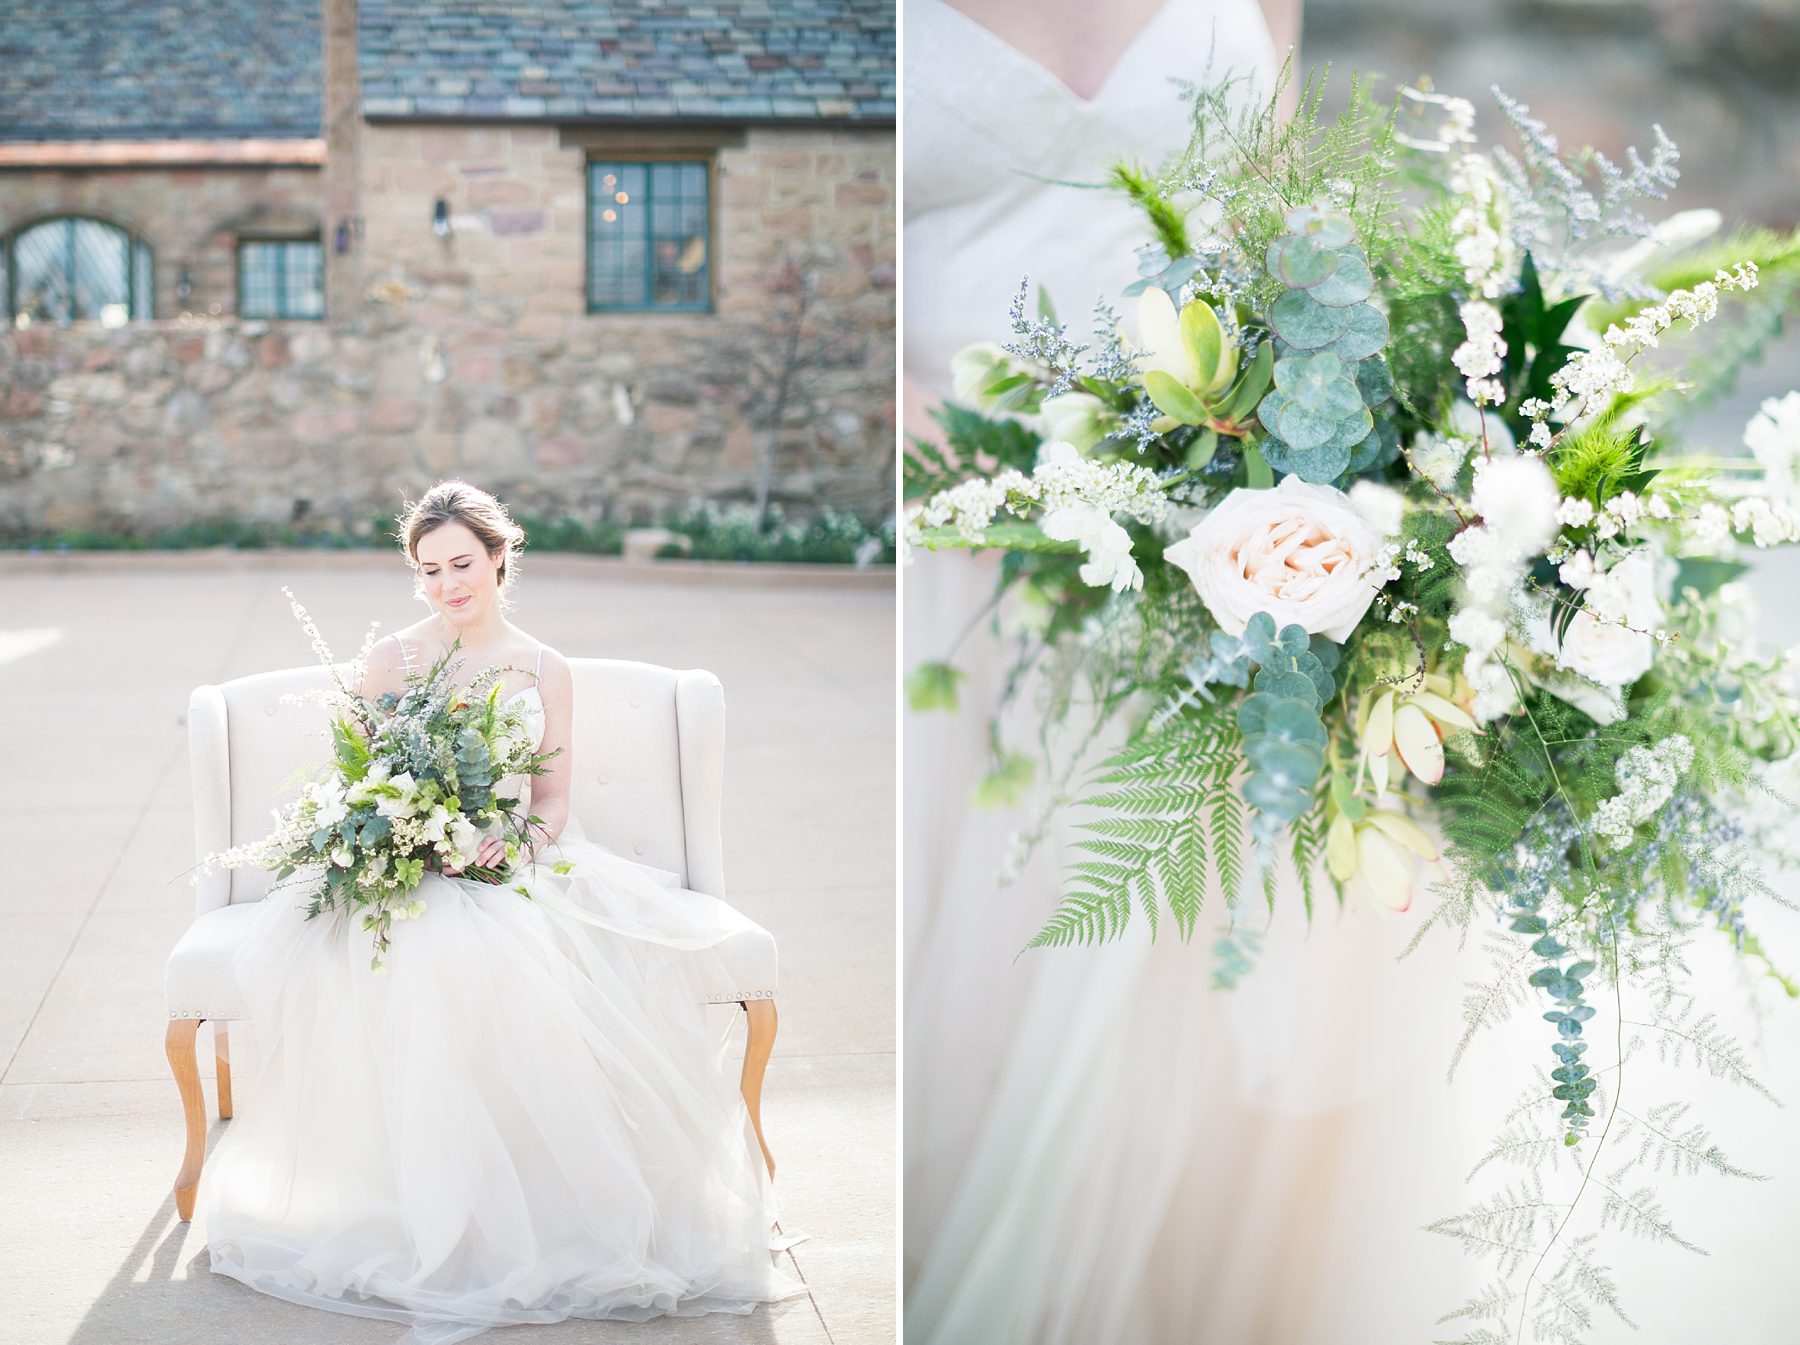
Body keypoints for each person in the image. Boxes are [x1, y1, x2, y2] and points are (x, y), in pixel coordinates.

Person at [202, 481, 808, 1344]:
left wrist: (509, 843)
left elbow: (554, 800)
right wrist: (410, 841)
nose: (448, 584)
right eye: (429, 570)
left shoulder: (542, 667)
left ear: (497, 558)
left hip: (516, 863)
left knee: (516, 951)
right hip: (411, 865)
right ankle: (422, 1208)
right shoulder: (390, 665)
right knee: (426, 950)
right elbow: (364, 784)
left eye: (461, 564)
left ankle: (545, 1207)